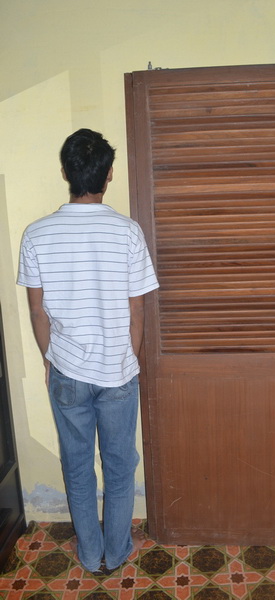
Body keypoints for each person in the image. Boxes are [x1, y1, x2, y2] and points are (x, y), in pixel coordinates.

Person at [17, 128, 159, 574]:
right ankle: (116, 553)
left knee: (77, 467)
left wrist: (50, 358)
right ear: (109, 174)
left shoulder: (36, 234)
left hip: (67, 372)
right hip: (118, 373)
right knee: (119, 467)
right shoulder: (128, 232)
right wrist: (128, 361)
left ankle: (89, 554)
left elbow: (37, 311)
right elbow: (138, 311)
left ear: (65, 173)